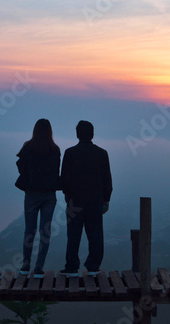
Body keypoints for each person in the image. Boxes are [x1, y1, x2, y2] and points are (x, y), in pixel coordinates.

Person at [60, 120, 112, 277]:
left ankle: (71, 267)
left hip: (75, 200)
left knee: (73, 235)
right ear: (92, 134)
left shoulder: (70, 153)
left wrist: (67, 196)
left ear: (77, 134)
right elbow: (107, 179)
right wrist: (106, 199)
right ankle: (93, 267)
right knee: (95, 234)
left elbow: (64, 178)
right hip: (95, 200)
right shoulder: (102, 153)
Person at [15, 118, 61, 278]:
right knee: (45, 231)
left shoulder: (28, 147)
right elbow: (56, 171)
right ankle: (39, 268)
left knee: (29, 230)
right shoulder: (55, 149)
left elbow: (21, 168)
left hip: (32, 192)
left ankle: (25, 266)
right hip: (49, 194)